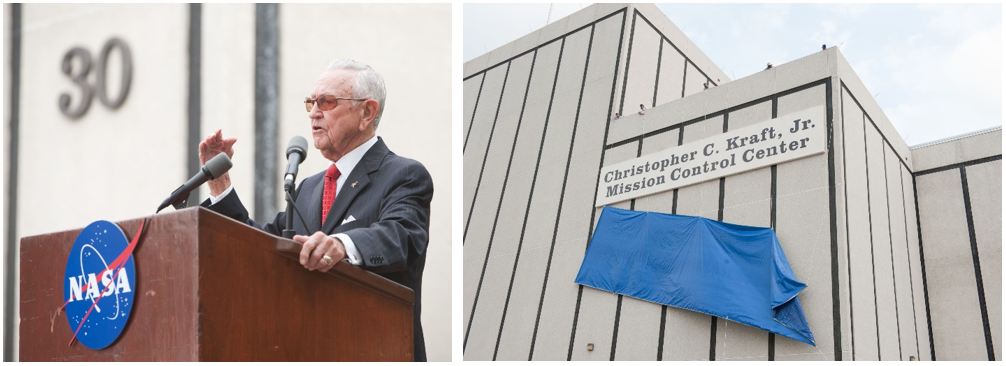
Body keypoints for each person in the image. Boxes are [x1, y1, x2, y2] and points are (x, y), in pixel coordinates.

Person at [197, 59, 433, 362]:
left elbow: (402, 236)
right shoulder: (307, 189)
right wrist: (220, 183)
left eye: (326, 102)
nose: (313, 113)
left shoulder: (403, 174)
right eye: (311, 102)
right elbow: (259, 245)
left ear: (367, 112)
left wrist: (340, 244)